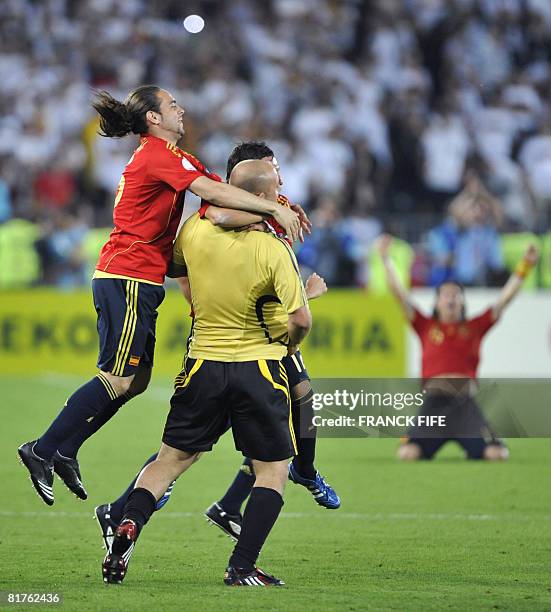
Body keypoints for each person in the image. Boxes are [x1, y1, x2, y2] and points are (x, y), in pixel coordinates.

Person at [17, 86, 303, 506]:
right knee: (118, 377)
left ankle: (65, 448)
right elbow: (214, 197)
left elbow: (219, 202)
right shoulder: (158, 156)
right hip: (128, 274)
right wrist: (275, 209)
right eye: (172, 105)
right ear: (153, 118)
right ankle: (42, 449)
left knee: (136, 381)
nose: (181, 109)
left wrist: (279, 202)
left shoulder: (171, 158)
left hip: (139, 278)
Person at [94, 142, 339, 552]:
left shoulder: (269, 207)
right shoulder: (224, 212)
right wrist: (301, 296)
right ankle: (291, 481)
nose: (280, 177)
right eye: (273, 171)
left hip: (239, 341)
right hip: (251, 341)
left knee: (291, 402)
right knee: (266, 433)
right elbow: (218, 230)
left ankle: (205, 504)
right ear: (243, 181)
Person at [377, 234, 538, 461]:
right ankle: (456, 444)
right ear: (437, 302)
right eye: (446, 295)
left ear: (462, 301)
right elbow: (399, 294)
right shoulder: (425, 325)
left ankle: (468, 444)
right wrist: (385, 258)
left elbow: (504, 300)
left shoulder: (475, 326)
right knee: (407, 453)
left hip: (465, 405)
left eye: (456, 294)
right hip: (434, 404)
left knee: (497, 454)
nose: (451, 298)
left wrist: (525, 266)